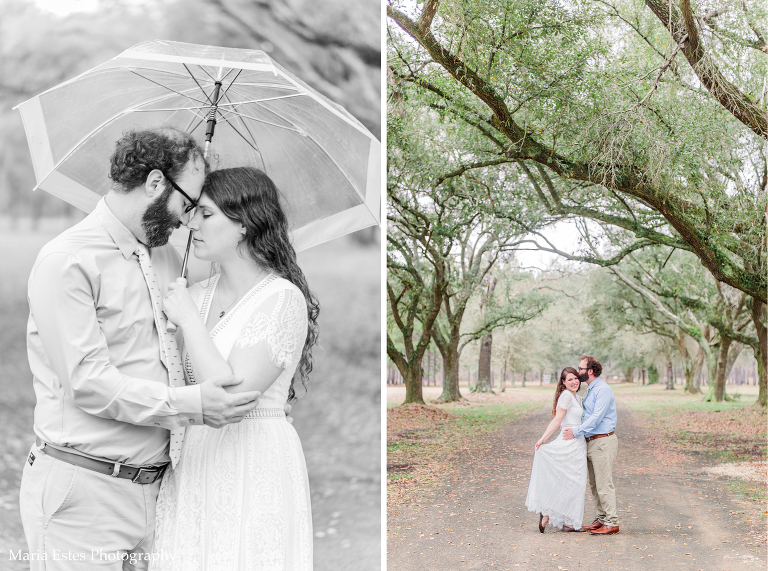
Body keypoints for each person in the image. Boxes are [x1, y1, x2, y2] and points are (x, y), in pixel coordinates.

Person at [19, 128, 267, 570]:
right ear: (155, 183)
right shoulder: (68, 261)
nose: (187, 220)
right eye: (186, 204)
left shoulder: (167, 258)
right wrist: (193, 405)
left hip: (160, 494)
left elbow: (210, 325)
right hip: (85, 491)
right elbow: (89, 383)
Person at [151, 166, 319, 570]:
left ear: (244, 224)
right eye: (192, 212)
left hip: (253, 460)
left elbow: (231, 397)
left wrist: (190, 322)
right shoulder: (191, 295)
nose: (191, 223)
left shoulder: (282, 299)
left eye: (206, 214)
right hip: (194, 460)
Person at [562, 355, 619, 535]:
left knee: (604, 484)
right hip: (591, 442)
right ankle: (601, 518)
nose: (578, 372)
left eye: (580, 369)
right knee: (595, 484)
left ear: (590, 371)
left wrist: (575, 432)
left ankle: (611, 521)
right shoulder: (590, 390)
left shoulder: (603, 389)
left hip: (603, 441)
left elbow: (596, 418)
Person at [525, 367, 587, 532]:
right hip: (569, 443)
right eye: (570, 379)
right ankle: (549, 512)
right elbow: (557, 419)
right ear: (563, 382)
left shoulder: (576, 396)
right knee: (570, 482)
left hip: (578, 442)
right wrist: (543, 439)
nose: (574, 382)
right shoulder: (566, 396)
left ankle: (568, 521)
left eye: (576, 378)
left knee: (575, 484)